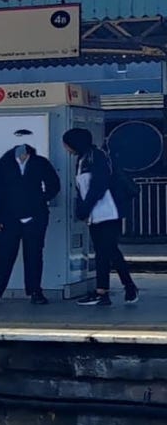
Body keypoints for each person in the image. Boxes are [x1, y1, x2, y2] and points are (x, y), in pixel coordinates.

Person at [62, 126, 138, 307]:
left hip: (107, 211)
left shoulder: (96, 157)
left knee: (108, 251)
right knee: (105, 252)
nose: (65, 147)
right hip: (96, 214)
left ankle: (119, 289)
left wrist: (84, 208)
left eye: (66, 143)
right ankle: (107, 291)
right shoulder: (83, 159)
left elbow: (98, 185)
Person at [0, 138, 60, 305]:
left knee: (34, 255)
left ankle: (35, 291)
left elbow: (54, 184)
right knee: (4, 256)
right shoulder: (4, 164)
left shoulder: (40, 163)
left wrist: (42, 198)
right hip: (8, 218)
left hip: (35, 216)